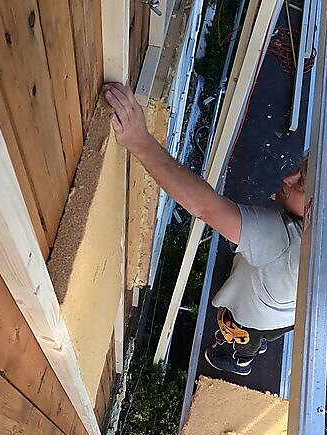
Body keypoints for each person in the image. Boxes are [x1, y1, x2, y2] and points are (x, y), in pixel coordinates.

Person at [104, 83, 306, 376]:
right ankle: (257, 344)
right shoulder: (324, 245)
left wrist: (139, 140)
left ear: (314, 208)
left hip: (254, 317)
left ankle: (239, 360)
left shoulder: (282, 242)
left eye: (301, 183)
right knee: (267, 331)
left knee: (242, 333)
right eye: (300, 169)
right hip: (286, 315)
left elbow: (206, 208)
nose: (288, 178)